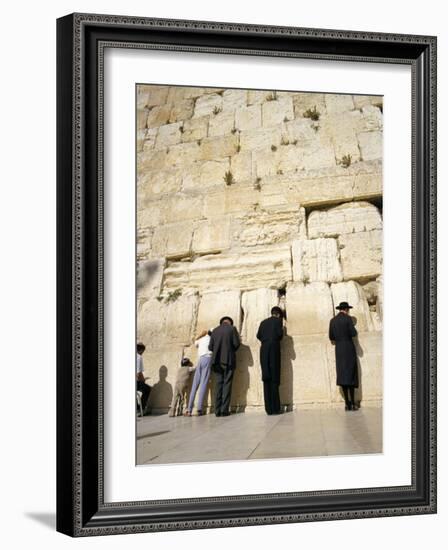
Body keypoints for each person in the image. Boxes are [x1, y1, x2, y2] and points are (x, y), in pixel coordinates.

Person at [329, 301, 359, 411]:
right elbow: (353, 333)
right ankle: (353, 402)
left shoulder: (333, 321)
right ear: (346, 309)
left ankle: (347, 403)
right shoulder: (348, 319)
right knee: (351, 374)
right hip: (349, 348)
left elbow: (331, 336)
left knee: (342, 374)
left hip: (339, 350)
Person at [209, 316, 240, 417]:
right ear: (229, 322)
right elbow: (236, 344)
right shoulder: (232, 329)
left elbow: (210, 347)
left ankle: (217, 410)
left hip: (216, 362)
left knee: (218, 385)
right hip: (228, 360)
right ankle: (224, 410)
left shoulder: (215, 331)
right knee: (227, 384)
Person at [256, 306, 284, 415]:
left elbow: (258, 335)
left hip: (263, 350)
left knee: (266, 377)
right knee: (274, 378)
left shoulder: (263, 322)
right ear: (278, 314)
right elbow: (279, 335)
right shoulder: (278, 321)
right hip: (274, 350)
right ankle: (275, 408)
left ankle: (268, 409)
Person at [184, 329, 213, 416]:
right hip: (208, 359)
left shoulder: (201, 339)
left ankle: (189, 409)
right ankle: (199, 409)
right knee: (203, 384)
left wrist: (201, 334)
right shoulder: (211, 339)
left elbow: (195, 342)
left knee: (195, 385)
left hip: (200, 360)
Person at [136, 343, 151, 413]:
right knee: (147, 389)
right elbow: (138, 373)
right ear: (141, 350)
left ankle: (137, 408)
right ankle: (140, 409)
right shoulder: (138, 357)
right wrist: (143, 380)